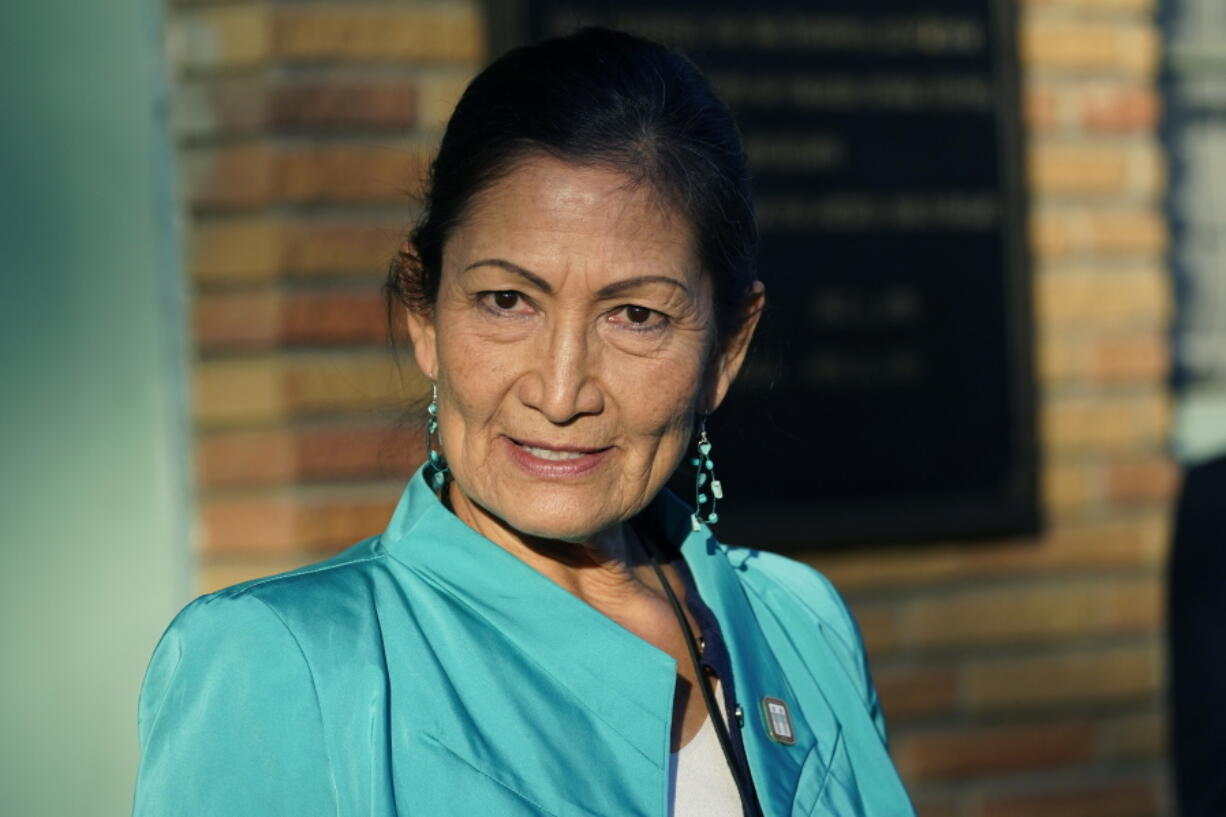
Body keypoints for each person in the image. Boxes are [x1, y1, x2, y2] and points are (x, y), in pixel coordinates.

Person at [131, 26, 914, 817]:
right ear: (425, 311)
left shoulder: (798, 621)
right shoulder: (281, 662)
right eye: (507, 301)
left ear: (728, 346)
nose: (561, 389)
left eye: (636, 315)